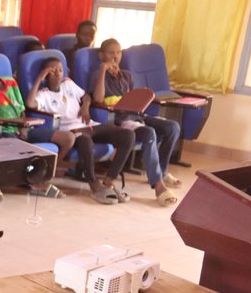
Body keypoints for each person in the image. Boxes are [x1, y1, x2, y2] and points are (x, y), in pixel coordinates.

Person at [25, 56, 135, 204]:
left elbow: (86, 96)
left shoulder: (68, 84)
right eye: (53, 71)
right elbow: (30, 104)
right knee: (85, 141)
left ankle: (108, 181)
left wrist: (85, 106)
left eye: (61, 70)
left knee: (128, 135)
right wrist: (39, 79)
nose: (58, 73)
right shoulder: (44, 94)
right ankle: (94, 185)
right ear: (46, 74)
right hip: (72, 130)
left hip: (90, 125)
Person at [93, 37, 182, 206]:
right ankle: (158, 186)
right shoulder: (97, 75)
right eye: (111, 52)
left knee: (172, 127)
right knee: (149, 133)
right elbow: (98, 98)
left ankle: (162, 172)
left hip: (137, 115)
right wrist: (104, 72)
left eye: (118, 52)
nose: (115, 56)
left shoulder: (126, 75)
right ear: (101, 55)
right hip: (119, 121)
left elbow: (134, 99)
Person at [0, 50, 65, 198]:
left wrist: (24, 129)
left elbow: (21, 109)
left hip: (23, 128)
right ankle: (34, 183)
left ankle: (43, 176)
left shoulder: (11, 82)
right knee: (19, 146)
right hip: (2, 130)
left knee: (66, 138)